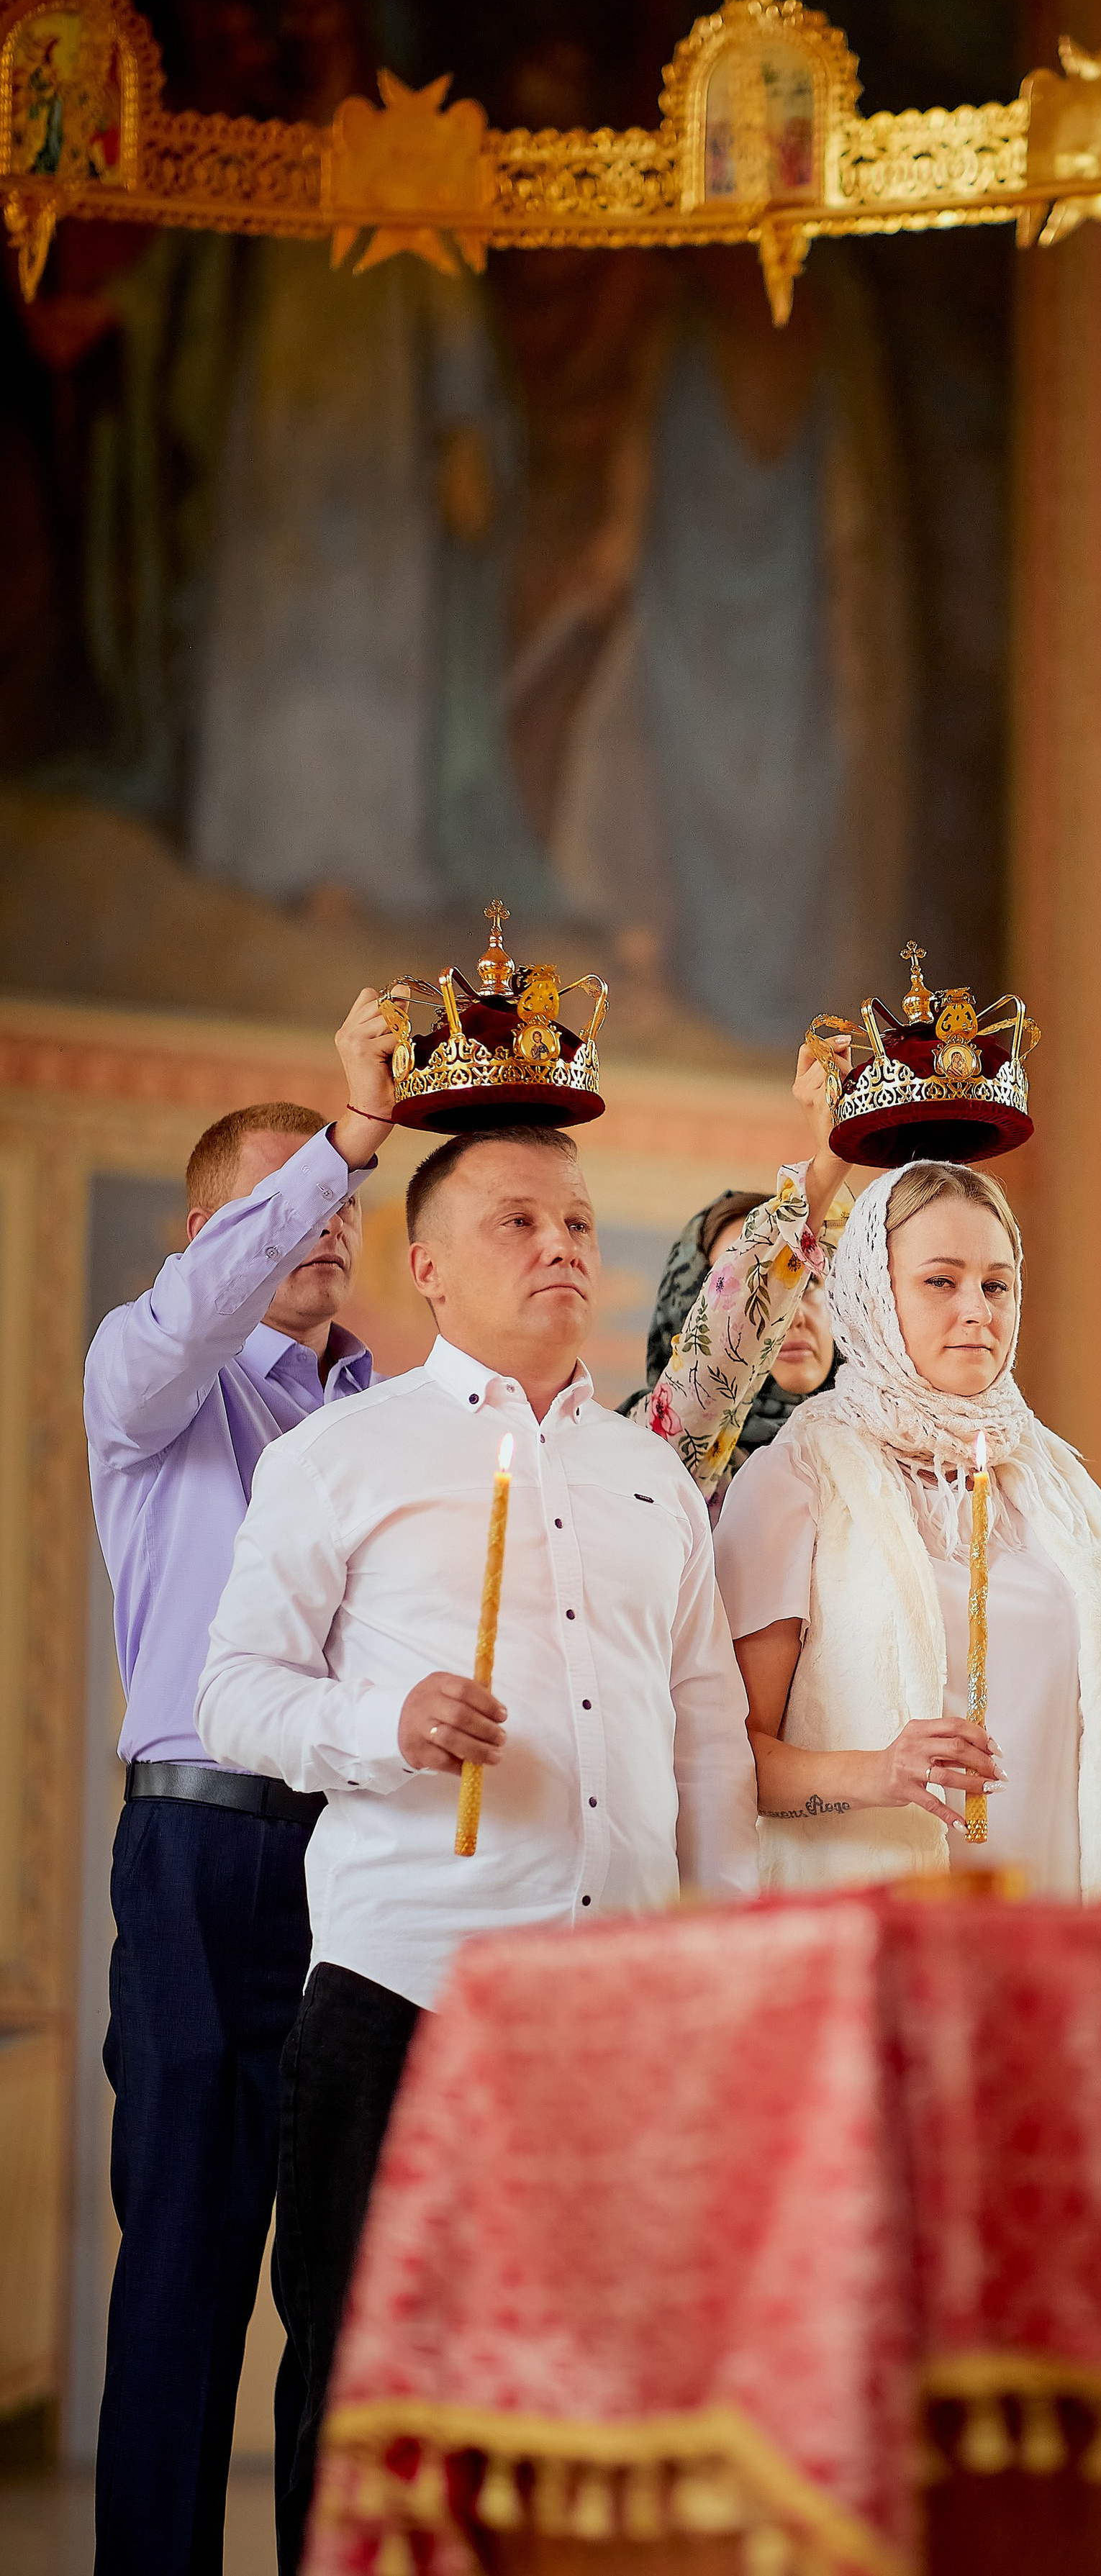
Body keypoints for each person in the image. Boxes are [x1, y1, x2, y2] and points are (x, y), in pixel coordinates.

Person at [194, 1123, 758, 2574]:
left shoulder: (651, 1479)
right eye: (519, 1222)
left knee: (607, 2388)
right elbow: (232, 1695)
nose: (563, 1245)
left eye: (576, 1222)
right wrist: (393, 1718)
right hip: (403, 1986)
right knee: (365, 2369)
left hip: (622, 2006)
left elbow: (704, 1739)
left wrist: (733, 1953)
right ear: (430, 1269)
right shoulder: (342, 1454)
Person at [83, 995, 399, 2576]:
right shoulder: (149, 1382)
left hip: (359, 1863)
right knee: (188, 2279)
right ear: (206, 1231)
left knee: (345, 2289)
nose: (332, 1222)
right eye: (297, 1199)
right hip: (199, 1859)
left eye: (347, 1204)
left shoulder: (385, 1429)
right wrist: (339, 1139)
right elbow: (186, 1320)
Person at [715, 1160, 1101, 1900]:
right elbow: (724, 1762)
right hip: (872, 1930)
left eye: (996, 1284)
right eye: (940, 1281)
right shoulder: (797, 1475)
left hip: (1058, 1929)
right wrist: (875, 1770)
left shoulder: (1060, 1485)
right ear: (873, 1294)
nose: (976, 1310)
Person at [626, 1035, 852, 1510]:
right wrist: (828, 1164)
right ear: (689, 1318)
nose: (787, 1312)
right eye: (727, 1285)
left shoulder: (881, 1453)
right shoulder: (640, 1451)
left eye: (808, 1283)